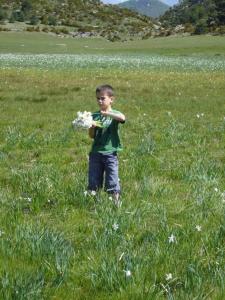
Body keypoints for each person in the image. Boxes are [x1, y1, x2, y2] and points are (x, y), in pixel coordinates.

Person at [88, 84, 125, 207]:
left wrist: (108, 114)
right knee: (94, 179)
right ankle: (94, 204)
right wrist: (92, 127)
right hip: (95, 153)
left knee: (112, 179)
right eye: (98, 98)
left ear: (111, 99)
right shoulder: (94, 115)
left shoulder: (114, 114)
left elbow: (122, 118)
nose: (100, 101)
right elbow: (91, 136)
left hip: (110, 154)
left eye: (103, 98)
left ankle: (116, 204)